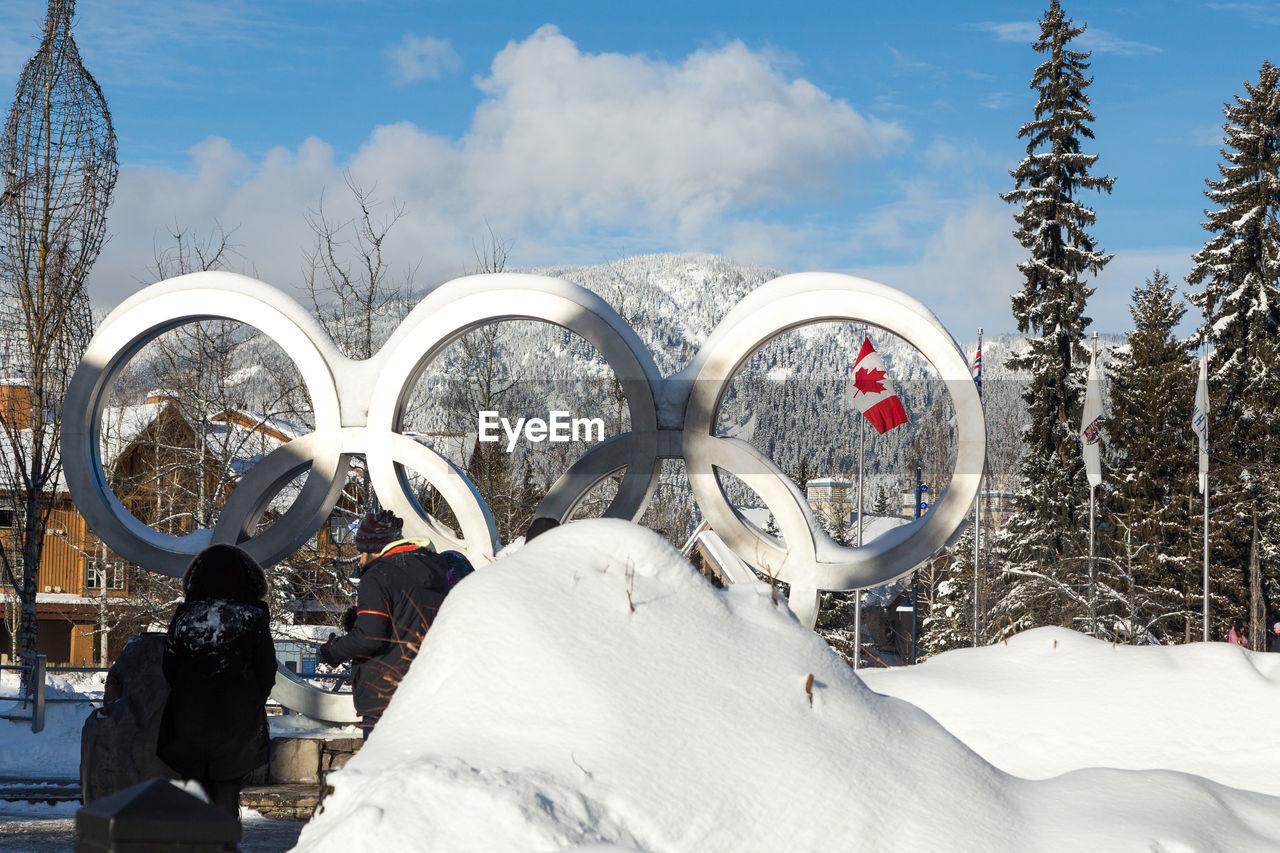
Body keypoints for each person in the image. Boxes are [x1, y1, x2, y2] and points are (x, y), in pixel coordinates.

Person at [319, 510, 473, 738]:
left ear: (374, 549)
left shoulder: (378, 575)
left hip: (386, 695)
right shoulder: (438, 568)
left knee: (380, 770)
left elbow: (369, 637)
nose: (361, 560)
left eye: (362, 551)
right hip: (431, 693)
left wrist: (332, 651)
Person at [156, 544, 277, 820]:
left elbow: (169, 666)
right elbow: (267, 670)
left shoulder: (186, 615)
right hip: (237, 722)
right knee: (227, 789)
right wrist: (250, 702)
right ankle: (224, 844)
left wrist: (187, 696)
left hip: (190, 719)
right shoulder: (253, 617)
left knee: (194, 789)